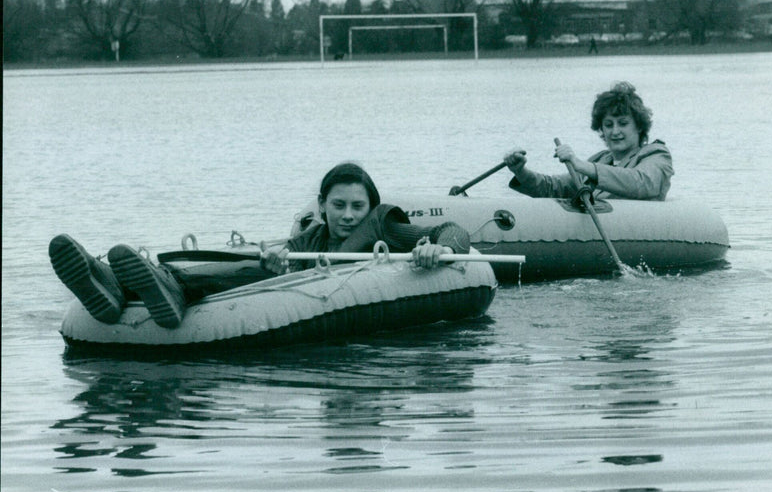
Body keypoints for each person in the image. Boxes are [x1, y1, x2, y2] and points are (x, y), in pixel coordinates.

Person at [49, 162, 471, 329]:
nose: (347, 214)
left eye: (356, 206)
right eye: (338, 205)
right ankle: (111, 285)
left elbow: (453, 230)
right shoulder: (311, 237)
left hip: (367, 286)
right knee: (247, 267)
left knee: (243, 273)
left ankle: (164, 284)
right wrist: (276, 262)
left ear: (370, 207)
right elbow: (286, 266)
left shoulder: (386, 223)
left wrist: (441, 249)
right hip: (302, 288)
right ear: (321, 206)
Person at [503, 82, 673, 201]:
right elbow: (554, 188)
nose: (615, 131)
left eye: (623, 123)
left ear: (639, 126)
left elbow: (641, 183)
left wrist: (581, 164)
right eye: (608, 125)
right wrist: (521, 171)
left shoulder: (656, 154)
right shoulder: (601, 160)